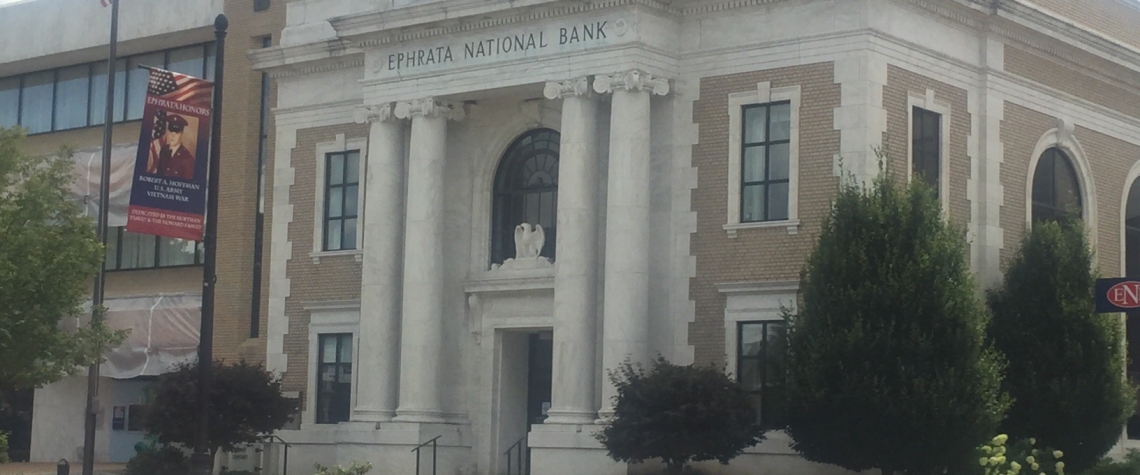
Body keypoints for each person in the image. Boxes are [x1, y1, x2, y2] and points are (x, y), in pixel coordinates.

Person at [147, 113, 195, 179]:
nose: (173, 136)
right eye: (171, 132)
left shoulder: (188, 159)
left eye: (176, 133)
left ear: (181, 134)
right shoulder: (164, 150)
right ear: (168, 132)